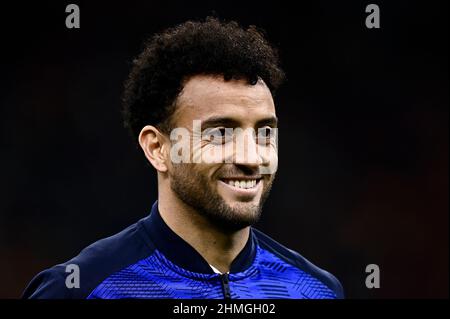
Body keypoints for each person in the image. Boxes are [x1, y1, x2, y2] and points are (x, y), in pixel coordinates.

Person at [23, 17, 344, 299]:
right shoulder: (82, 289)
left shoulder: (316, 289)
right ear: (157, 149)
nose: (251, 157)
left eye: (264, 133)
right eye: (220, 133)